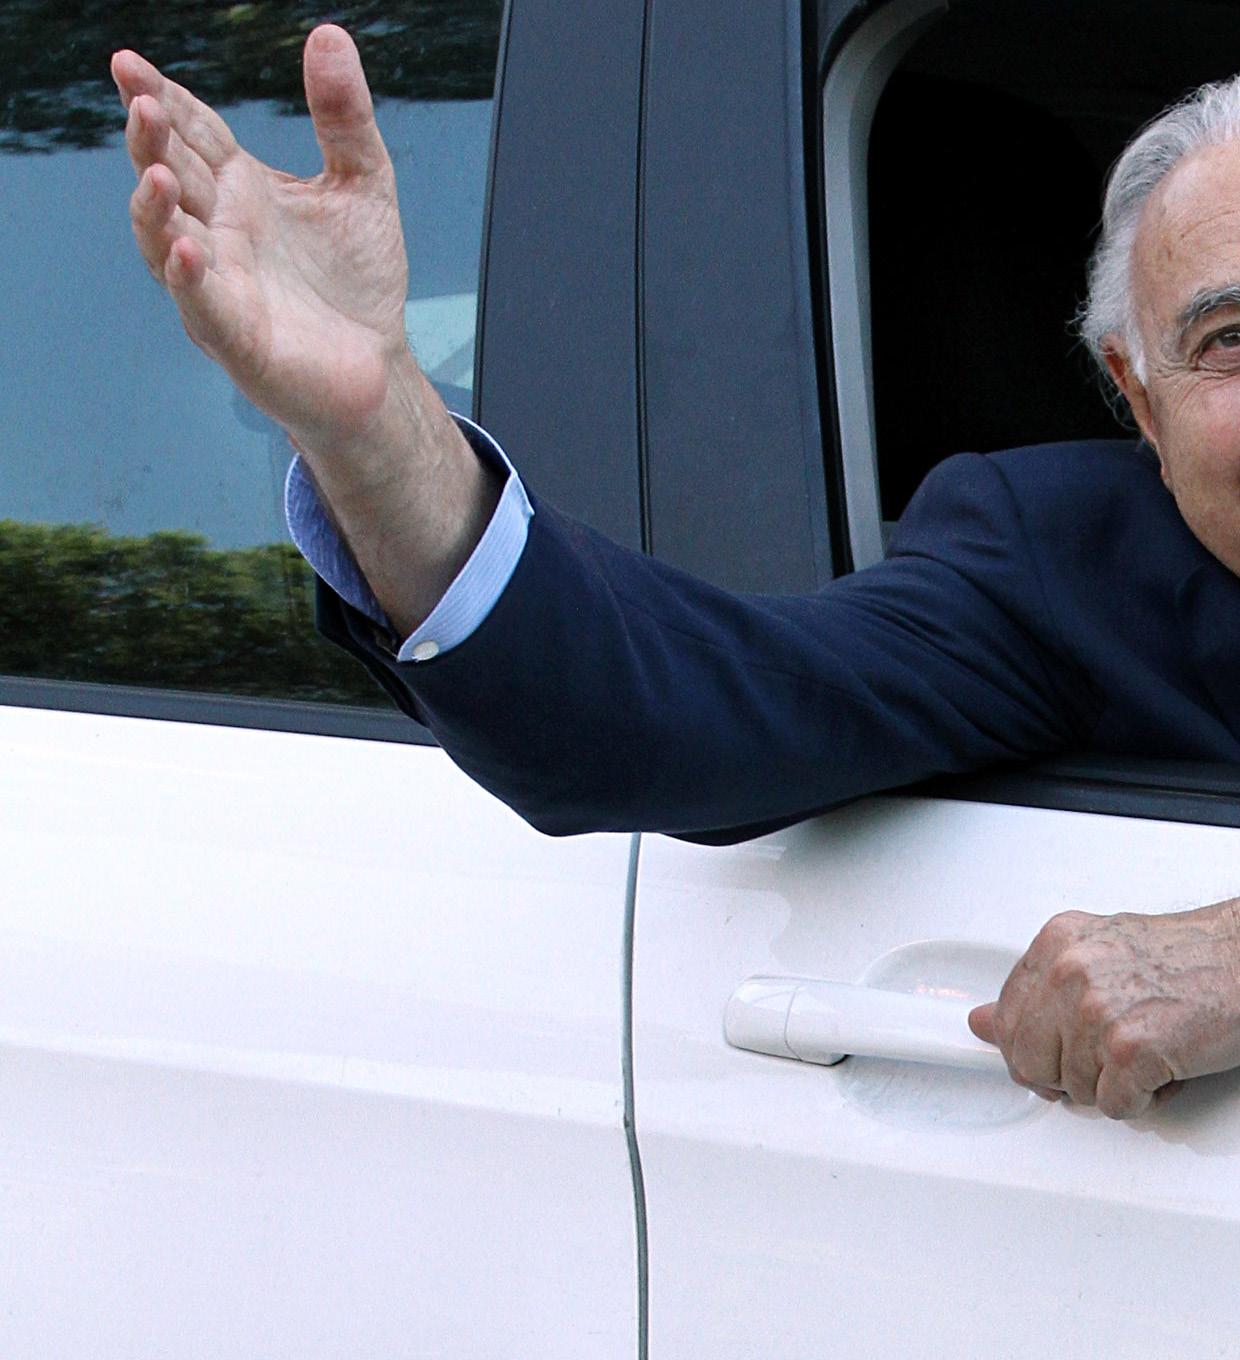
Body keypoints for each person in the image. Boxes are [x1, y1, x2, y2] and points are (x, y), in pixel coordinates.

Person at [109, 26, 1240, 1119]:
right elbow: (680, 708)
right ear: (1137, 400)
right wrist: (376, 432)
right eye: (1227, 339)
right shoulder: (1062, 568)